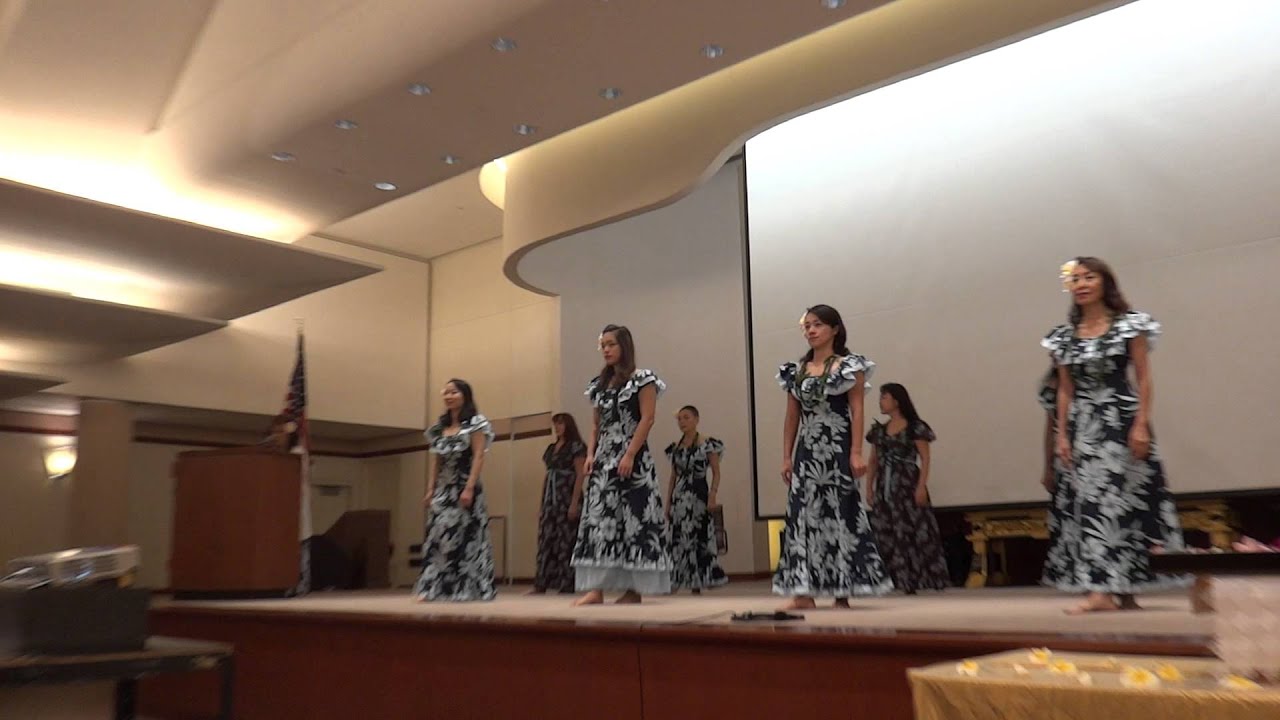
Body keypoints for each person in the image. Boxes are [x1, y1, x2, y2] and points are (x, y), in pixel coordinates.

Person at [1042, 257, 1187, 614]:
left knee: (1127, 502)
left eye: (1089, 277)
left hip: (1121, 421)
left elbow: (1144, 377)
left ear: (1105, 282)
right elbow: (1064, 389)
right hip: (1083, 427)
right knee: (1093, 504)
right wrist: (1062, 435)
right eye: (1074, 279)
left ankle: (1124, 589)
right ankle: (1101, 590)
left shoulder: (1128, 326)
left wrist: (1141, 423)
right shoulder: (1063, 338)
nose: (1081, 284)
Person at [774, 304, 892, 609]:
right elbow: (791, 419)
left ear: (834, 329)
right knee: (804, 516)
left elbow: (858, 410)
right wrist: (786, 457)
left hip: (838, 448)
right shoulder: (795, 371)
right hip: (807, 452)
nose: (811, 331)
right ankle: (804, 592)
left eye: (818, 325)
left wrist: (856, 452)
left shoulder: (849, 366)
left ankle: (843, 590)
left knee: (841, 513)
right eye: (807, 326)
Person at [571, 325, 672, 605]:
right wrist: (591, 455)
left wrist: (629, 454)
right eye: (602, 344)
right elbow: (595, 426)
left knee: (633, 520)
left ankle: (633, 590)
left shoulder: (642, 379)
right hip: (603, 460)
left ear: (624, 346)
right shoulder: (599, 385)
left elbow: (647, 418)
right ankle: (596, 589)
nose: (605, 349)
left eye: (611, 344)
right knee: (600, 520)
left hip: (633, 458)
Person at [414, 379, 496, 602]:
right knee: (438, 535)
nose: (449, 396)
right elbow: (436, 462)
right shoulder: (439, 429)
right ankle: (433, 587)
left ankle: (465, 588)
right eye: (446, 392)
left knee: (464, 537)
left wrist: (469, 487)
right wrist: (430, 489)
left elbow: (479, 455)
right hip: (443, 490)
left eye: (454, 392)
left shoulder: (476, 424)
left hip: (464, 487)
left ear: (464, 396)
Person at [866, 383, 949, 594]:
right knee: (887, 532)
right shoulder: (879, 431)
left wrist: (921, 486)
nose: (881, 401)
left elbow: (925, 458)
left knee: (914, 531)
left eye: (884, 397)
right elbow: (874, 461)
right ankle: (895, 581)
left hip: (907, 485)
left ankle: (923, 579)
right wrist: (869, 488)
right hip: (885, 487)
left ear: (897, 400)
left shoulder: (915, 427)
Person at [664, 405, 728, 594]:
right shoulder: (676, 448)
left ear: (696, 419)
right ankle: (679, 578)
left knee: (699, 537)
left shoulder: (708, 443)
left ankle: (702, 578)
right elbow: (672, 477)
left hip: (699, 495)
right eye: (680, 419)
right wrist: (668, 503)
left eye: (686, 418)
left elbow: (716, 472)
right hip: (680, 498)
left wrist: (713, 495)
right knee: (679, 538)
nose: (682, 422)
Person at [531, 413, 588, 594]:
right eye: (555, 424)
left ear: (568, 425)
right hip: (550, 498)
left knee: (567, 539)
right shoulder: (551, 448)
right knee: (547, 539)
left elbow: (580, 475)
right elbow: (548, 475)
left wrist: (574, 503)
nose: (557, 427)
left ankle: (568, 583)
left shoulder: (577, 447)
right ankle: (542, 583)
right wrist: (542, 504)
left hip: (567, 496)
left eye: (561, 424)